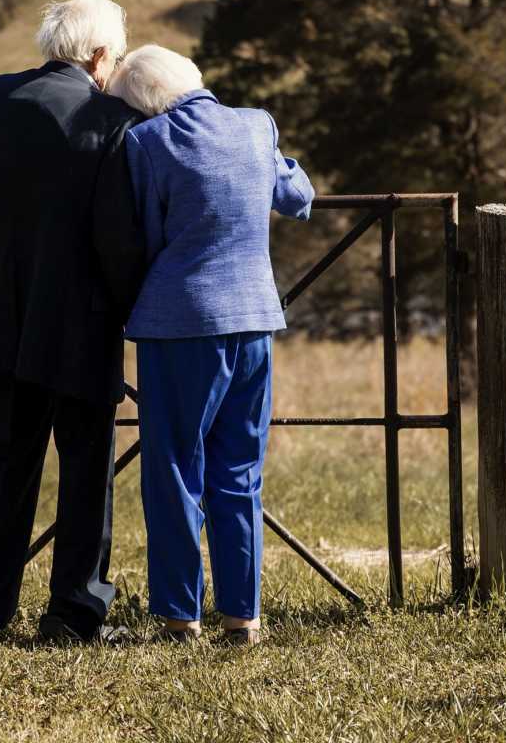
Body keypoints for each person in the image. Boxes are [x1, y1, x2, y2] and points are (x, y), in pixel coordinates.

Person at [106, 44, 314, 647]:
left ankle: (178, 614)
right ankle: (242, 617)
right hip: (253, 319)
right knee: (240, 468)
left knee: (173, 466)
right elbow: (298, 197)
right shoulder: (257, 125)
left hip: (179, 326)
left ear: (140, 104)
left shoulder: (146, 143)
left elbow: (142, 234)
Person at [0, 0, 145, 645]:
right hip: (83, 317)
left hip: (5, 312)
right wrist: (131, 304)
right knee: (87, 468)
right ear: (98, 56)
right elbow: (118, 228)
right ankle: (72, 613)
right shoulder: (112, 116)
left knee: (3, 463)